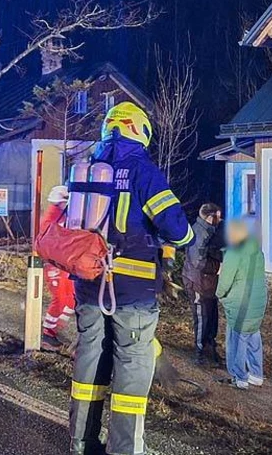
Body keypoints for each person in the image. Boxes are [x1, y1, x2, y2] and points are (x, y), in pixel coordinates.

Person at [70, 102, 194, 455]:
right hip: (133, 295)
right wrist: (183, 241)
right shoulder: (143, 171)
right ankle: (124, 449)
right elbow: (176, 228)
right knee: (131, 370)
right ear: (139, 131)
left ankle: (82, 442)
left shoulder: (89, 170)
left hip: (89, 286)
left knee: (90, 361)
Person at [216, 216, 268, 389]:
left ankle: (240, 378)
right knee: (253, 334)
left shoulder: (234, 252)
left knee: (236, 339)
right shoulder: (257, 251)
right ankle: (256, 374)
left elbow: (226, 280)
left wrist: (219, 294)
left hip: (240, 303)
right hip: (257, 301)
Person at [183, 202, 225, 365]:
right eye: (217, 217)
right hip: (197, 282)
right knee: (202, 317)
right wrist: (218, 267)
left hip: (209, 283)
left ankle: (210, 348)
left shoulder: (211, 230)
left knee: (212, 316)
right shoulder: (198, 233)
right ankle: (200, 353)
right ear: (209, 217)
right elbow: (197, 262)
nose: (220, 220)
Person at [40, 184, 75, 347]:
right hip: (54, 264)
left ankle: (55, 329)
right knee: (60, 298)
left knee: (71, 300)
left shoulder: (62, 215)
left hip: (64, 263)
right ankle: (48, 332)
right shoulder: (52, 218)